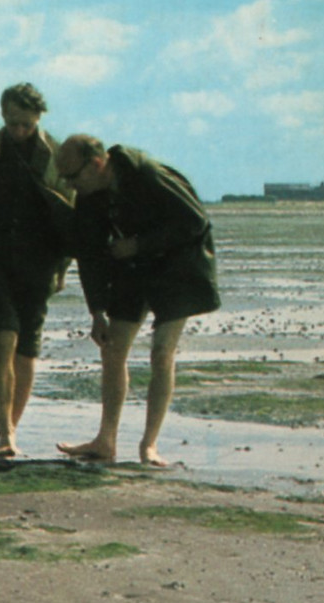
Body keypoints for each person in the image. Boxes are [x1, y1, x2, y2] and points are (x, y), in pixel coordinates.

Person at [53, 134, 220, 467]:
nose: (70, 186)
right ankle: (105, 440)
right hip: (131, 266)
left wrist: (140, 244)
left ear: (97, 164)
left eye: (73, 177)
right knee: (113, 348)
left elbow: (195, 222)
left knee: (161, 353)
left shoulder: (148, 173)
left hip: (178, 266)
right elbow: (89, 254)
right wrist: (97, 312)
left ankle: (149, 446)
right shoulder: (88, 194)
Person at [0, 83, 75, 458]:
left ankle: (12, 427)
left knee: (27, 348)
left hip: (39, 259)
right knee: (2, 337)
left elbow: (70, 216)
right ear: (2, 115)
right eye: (11, 122)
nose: (17, 130)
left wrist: (62, 268)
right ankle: (4, 430)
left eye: (25, 124)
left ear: (39, 117)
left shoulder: (57, 154)